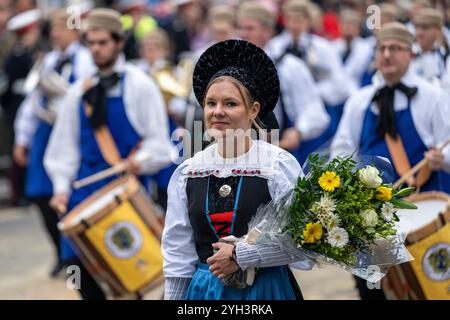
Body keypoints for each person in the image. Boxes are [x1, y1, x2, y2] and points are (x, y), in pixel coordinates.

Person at [162, 39, 314, 300]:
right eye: (211, 103)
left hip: (266, 291)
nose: (217, 112)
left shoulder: (276, 165)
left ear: (253, 109)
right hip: (205, 293)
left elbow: (306, 244)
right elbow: (178, 256)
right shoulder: (188, 172)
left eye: (230, 104)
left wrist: (242, 255)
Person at [44, 8, 175, 300]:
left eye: (103, 42)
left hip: (126, 191)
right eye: (90, 43)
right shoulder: (79, 91)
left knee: (133, 273)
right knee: (78, 267)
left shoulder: (140, 85)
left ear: (118, 42)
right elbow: (63, 148)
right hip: (83, 192)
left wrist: (137, 163)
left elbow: (160, 146)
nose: (96, 49)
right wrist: (62, 190)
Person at [331, 23, 450, 298]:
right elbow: (341, 148)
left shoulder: (433, 97)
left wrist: (440, 158)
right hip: (370, 212)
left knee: (427, 285)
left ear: (410, 54)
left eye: (395, 49)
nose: (386, 55)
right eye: (381, 49)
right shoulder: (359, 101)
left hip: (422, 208)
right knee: (369, 289)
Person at [13, 9, 95, 277]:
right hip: (45, 132)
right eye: (54, 29)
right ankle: (60, 250)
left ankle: (76, 256)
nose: (55, 33)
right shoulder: (48, 60)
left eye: (60, 28)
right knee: (39, 193)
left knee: (69, 195)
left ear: (73, 30)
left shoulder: (85, 58)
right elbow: (31, 101)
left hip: (73, 133)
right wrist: (22, 138)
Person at [237, 1, 329, 162]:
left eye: (250, 28)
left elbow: (315, 112)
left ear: (267, 31)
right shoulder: (232, 65)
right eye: (241, 28)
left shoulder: (289, 66)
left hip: (276, 154)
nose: (243, 34)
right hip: (237, 154)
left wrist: (298, 131)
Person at [267, 0, 353, 164]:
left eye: (298, 20)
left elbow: (340, 85)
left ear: (308, 21)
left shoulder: (322, 47)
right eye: (290, 19)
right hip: (288, 116)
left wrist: (311, 90)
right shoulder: (275, 46)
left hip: (319, 111)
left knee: (317, 163)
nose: (294, 25)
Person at [410, 8, 450, 85]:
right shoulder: (408, 54)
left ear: (439, 29)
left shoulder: (446, 57)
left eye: (425, 28)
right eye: (417, 27)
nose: (419, 33)